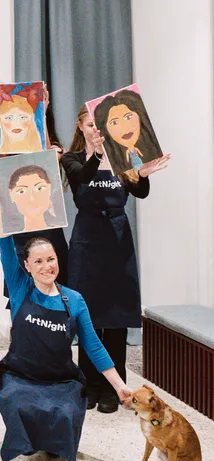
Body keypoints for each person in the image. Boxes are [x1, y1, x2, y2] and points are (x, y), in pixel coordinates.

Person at [0, 224, 133, 461]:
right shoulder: (19, 288)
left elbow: (94, 346)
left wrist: (119, 385)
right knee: (21, 407)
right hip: (20, 376)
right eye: (38, 261)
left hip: (60, 379)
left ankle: (49, 438)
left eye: (51, 259)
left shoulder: (75, 300)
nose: (47, 267)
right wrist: (1, 207)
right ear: (26, 266)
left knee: (66, 415)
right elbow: (4, 244)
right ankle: (31, 438)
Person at [62, 105, 170, 413]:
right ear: (80, 127)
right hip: (86, 240)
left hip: (118, 239)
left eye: (100, 125)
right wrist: (97, 153)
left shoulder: (124, 157)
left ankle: (114, 386)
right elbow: (83, 176)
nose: (96, 129)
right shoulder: (72, 159)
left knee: (117, 313)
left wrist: (142, 173)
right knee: (88, 314)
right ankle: (89, 382)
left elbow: (141, 192)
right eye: (90, 124)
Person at [10, 103, 68, 287]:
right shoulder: (12, 151)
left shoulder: (56, 149)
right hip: (21, 228)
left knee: (54, 282)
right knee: (22, 286)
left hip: (49, 226)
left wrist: (40, 111)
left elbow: (46, 160)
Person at [91, 89, 163, 180]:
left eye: (128, 117)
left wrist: (143, 176)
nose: (124, 127)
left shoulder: (151, 150)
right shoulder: (112, 161)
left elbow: (141, 193)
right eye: (114, 122)